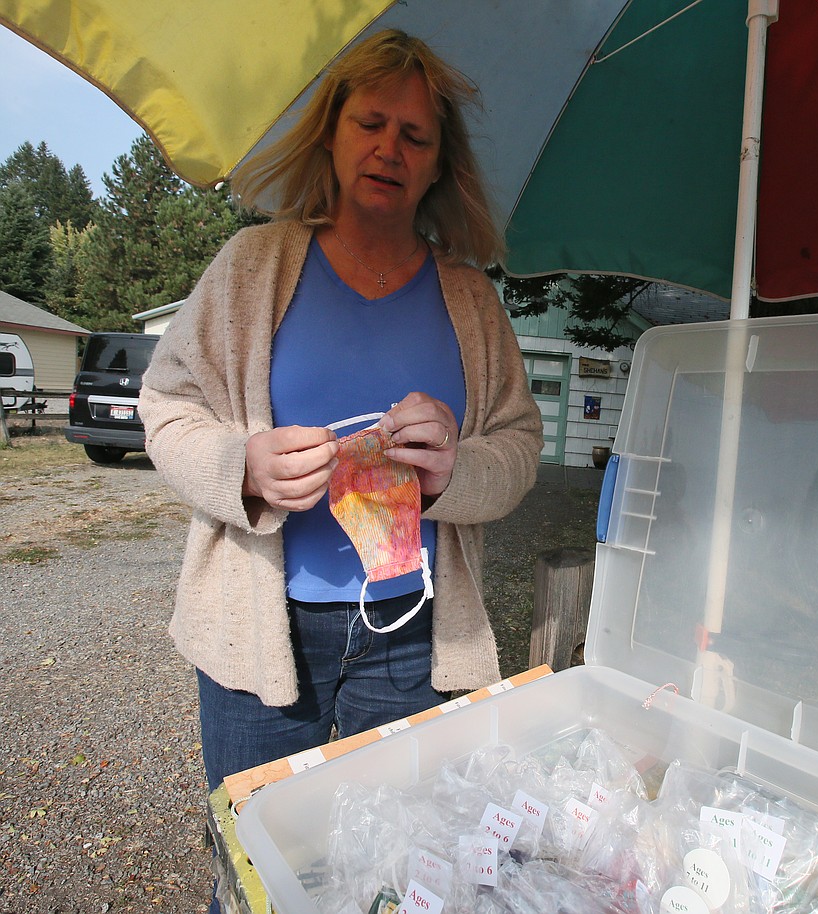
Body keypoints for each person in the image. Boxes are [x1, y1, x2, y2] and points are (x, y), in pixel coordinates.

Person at [139, 30, 544, 799]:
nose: (390, 148)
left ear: (436, 165)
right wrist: (243, 468)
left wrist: (456, 471)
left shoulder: (471, 300)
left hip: (412, 637)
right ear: (331, 134)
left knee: (390, 865)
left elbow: (520, 446)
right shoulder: (251, 265)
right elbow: (164, 407)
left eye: (415, 135)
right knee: (258, 858)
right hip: (259, 635)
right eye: (370, 124)